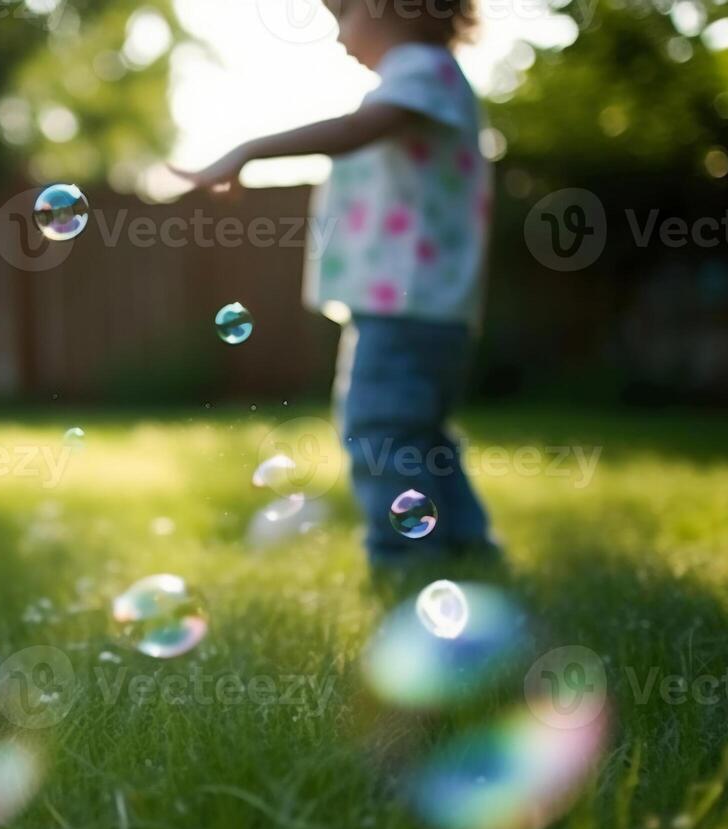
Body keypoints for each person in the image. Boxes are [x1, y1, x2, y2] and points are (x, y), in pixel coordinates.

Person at [173, 0, 497, 569]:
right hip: (430, 304)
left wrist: (250, 149)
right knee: (420, 434)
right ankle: (468, 547)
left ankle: (404, 560)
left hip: (406, 300)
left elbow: (353, 131)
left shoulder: (421, 70)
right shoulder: (428, 76)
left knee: (380, 428)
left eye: (342, 15)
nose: (337, 37)